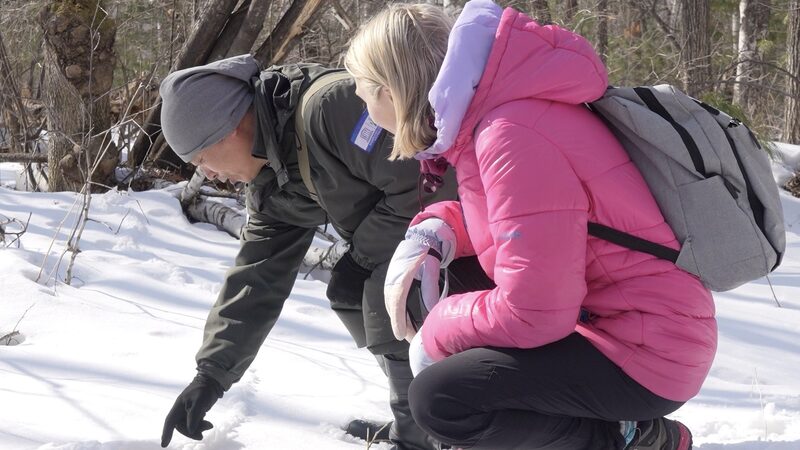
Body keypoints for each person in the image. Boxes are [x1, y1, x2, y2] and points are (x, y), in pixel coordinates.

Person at [344, 1, 717, 449]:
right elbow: (527, 220)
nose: (361, 101)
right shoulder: (499, 116)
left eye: (362, 88)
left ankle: (631, 437)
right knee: (457, 282)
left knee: (441, 398)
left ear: (390, 90)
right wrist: (437, 227)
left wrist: (438, 329)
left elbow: (537, 311)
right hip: (617, 322)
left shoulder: (511, 134)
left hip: (645, 350)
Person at [156, 54, 456, 450]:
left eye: (202, 159)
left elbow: (427, 185)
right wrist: (210, 377)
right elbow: (256, 279)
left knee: (383, 291)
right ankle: (420, 416)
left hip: (479, 229)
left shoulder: (330, 109)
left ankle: (430, 432)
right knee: (349, 294)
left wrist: (363, 256)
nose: (208, 175)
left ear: (228, 129)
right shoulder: (272, 180)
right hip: (416, 238)